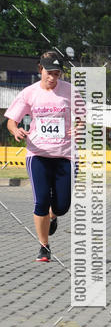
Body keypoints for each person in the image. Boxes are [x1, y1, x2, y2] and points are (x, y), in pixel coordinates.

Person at [4, 52, 76, 262]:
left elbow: (82, 117)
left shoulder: (70, 91)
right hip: (37, 154)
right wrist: (15, 130)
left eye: (56, 74)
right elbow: (11, 121)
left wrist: (79, 127)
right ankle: (44, 247)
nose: (52, 78)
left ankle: (53, 216)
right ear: (40, 69)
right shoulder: (29, 93)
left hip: (65, 155)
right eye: (48, 73)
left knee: (62, 206)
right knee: (41, 201)